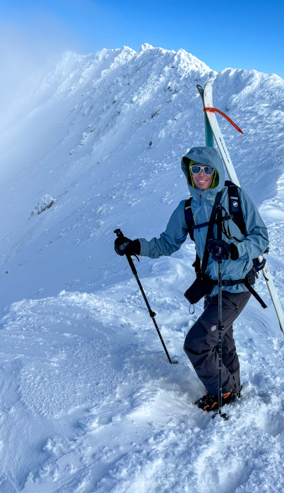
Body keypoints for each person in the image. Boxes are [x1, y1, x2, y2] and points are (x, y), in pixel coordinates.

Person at [114, 146, 269, 412]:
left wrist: (233, 249)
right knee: (221, 340)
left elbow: (261, 238)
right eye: (195, 168)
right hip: (211, 289)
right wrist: (135, 246)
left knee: (197, 344)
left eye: (207, 169)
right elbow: (166, 243)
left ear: (216, 171)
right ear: (188, 171)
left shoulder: (236, 199)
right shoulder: (187, 208)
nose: (200, 174)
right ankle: (234, 385)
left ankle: (225, 390)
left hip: (236, 288)